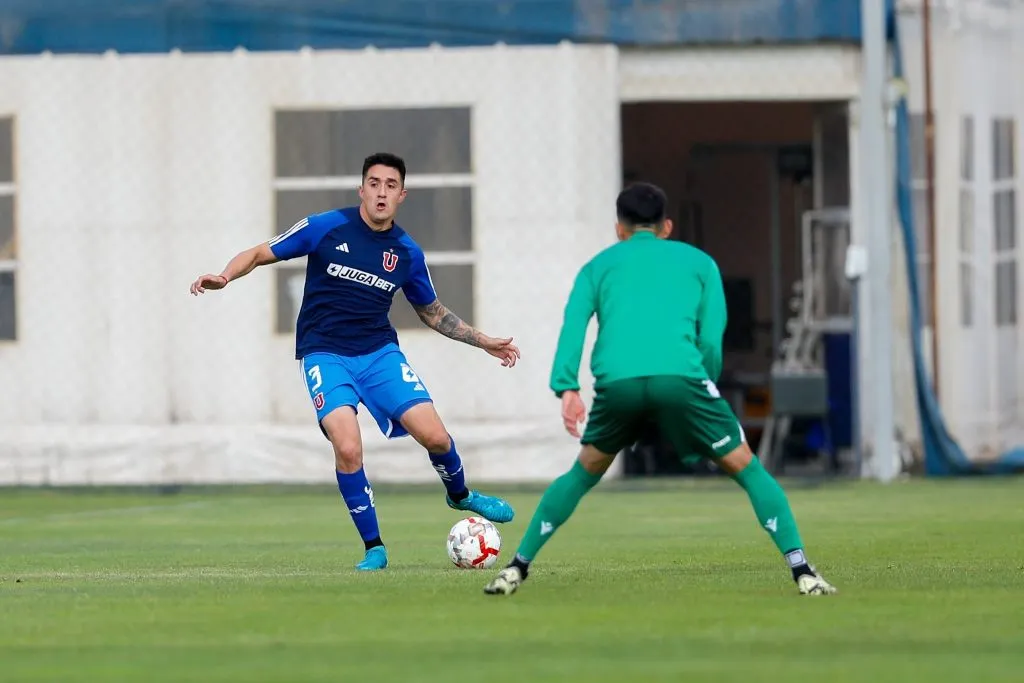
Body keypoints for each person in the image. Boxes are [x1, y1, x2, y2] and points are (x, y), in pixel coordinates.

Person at [483, 182, 836, 596]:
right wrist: (702, 381)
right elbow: (710, 338)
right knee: (747, 468)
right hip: (682, 378)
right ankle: (802, 571)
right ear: (666, 226)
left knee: (582, 473)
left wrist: (567, 389)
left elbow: (574, 329)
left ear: (619, 229)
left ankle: (516, 568)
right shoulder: (700, 263)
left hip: (617, 384)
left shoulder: (597, 267)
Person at [190, 152, 518, 571]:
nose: (382, 192)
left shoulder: (406, 253)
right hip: (325, 353)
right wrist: (224, 276)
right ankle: (374, 548)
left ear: (402, 195)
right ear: (362, 189)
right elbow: (259, 252)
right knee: (347, 446)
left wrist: (483, 340)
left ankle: (460, 494)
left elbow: (432, 312)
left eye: (391, 185)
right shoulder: (327, 227)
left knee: (436, 438)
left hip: (379, 354)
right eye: (375, 183)